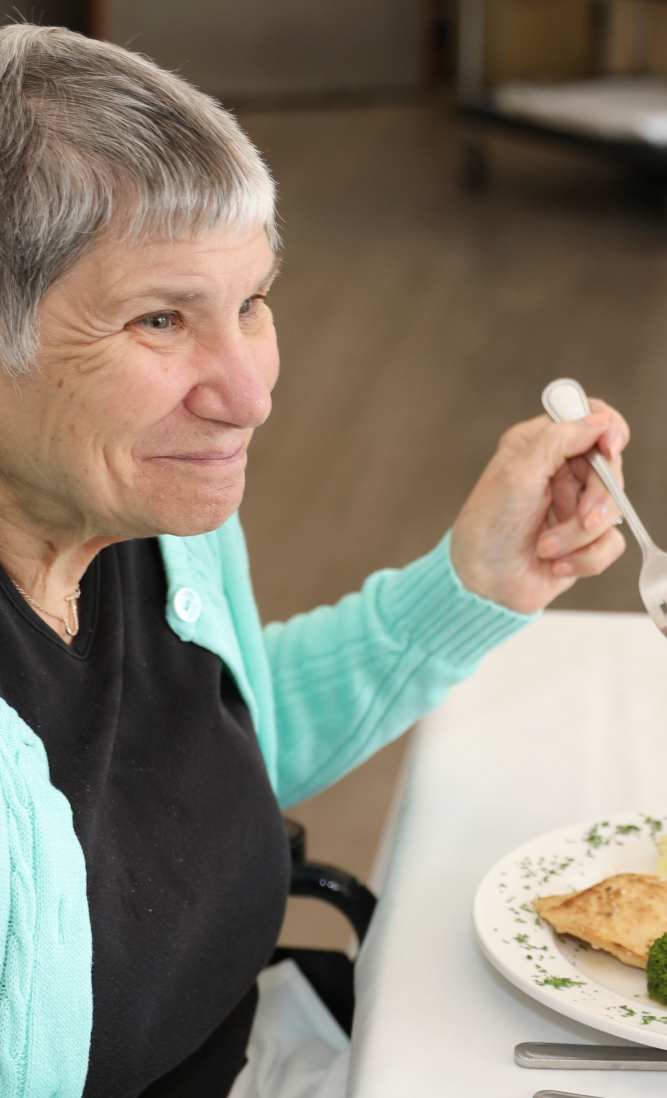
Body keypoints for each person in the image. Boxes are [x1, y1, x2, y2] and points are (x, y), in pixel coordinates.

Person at [0, 23, 627, 1098]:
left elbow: (206, 760)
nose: (249, 394)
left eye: (251, 302)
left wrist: (469, 584)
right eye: (159, 320)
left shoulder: (153, 525)